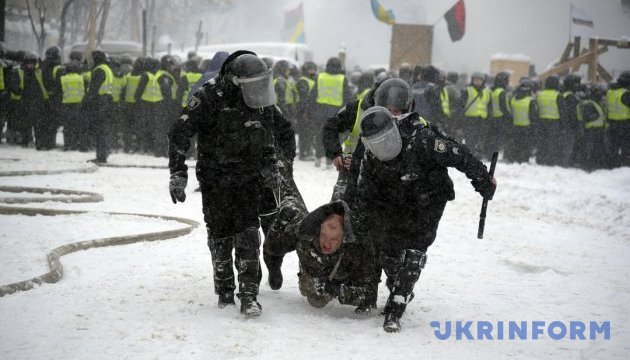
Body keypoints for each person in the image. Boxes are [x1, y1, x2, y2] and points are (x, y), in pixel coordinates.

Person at [347, 79, 496, 332]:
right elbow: (363, 174)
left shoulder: (424, 136)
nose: (393, 116)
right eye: (388, 109)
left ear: (407, 108)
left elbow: (459, 154)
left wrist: (483, 180)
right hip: (394, 197)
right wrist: (358, 207)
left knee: (414, 251)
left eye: (398, 110)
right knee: (387, 248)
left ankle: (395, 307)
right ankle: (397, 281)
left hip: (428, 199)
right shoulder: (372, 134)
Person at [168, 50, 288, 317]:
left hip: (249, 176)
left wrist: (271, 165)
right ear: (234, 81)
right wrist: (178, 172)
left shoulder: (259, 99)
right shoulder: (207, 97)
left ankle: (248, 295)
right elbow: (179, 133)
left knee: (248, 233)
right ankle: (224, 291)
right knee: (220, 235)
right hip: (215, 178)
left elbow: (268, 135)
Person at [294, 200, 376, 312]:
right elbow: (274, 247)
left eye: (333, 239)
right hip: (316, 272)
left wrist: (336, 290)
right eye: (323, 236)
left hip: (346, 276)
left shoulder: (359, 249)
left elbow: (369, 296)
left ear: (344, 237)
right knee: (315, 299)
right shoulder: (305, 235)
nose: (326, 244)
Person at [310, 57, 353, 167]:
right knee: (333, 136)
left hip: (320, 110)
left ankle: (318, 157)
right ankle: (330, 159)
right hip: (335, 111)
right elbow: (348, 97)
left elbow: (312, 95)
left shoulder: (320, 77)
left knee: (319, 134)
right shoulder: (343, 79)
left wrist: (312, 109)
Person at [85, 49, 113, 163]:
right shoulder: (107, 69)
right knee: (103, 129)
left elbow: (93, 89)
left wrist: (86, 100)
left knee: (99, 130)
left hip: (100, 102)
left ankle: (101, 156)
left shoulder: (99, 70)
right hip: (107, 100)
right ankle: (104, 153)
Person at [460, 72, 492, 158]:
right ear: (472, 80)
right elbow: (461, 104)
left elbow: (489, 105)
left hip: (482, 119)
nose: (478, 81)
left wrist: (489, 117)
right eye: (476, 80)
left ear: (483, 81)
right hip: (470, 119)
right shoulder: (467, 90)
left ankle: (478, 155)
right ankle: (470, 154)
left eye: (480, 80)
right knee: (470, 138)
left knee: (481, 138)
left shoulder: (487, 91)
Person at [504, 81, 537, 163]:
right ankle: (523, 160)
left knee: (516, 144)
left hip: (515, 126)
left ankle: (515, 158)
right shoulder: (530, 101)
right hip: (527, 126)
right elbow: (533, 116)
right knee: (525, 145)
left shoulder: (513, 100)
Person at [580, 83, 608, 171]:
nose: (600, 94)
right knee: (590, 149)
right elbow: (587, 117)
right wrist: (597, 116)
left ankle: (596, 165)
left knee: (597, 148)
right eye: (598, 92)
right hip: (592, 130)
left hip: (598, 129)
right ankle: (588, 166)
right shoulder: (589, 103)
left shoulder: (597, 102)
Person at [606, 71, 630, 167]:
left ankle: (613, 167)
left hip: (612, 124)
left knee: (613, 148)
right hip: (625, 125)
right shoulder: (626, 94)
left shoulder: (610, 92)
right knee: (626, 148)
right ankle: (624, 167)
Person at [295, 61, 317, 160]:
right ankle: (304, 153)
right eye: (310, 69)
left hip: (310, 109)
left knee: (309, 131)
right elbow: (303, 96)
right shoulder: (303, 80)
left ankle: (307, 151)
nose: (312, 71)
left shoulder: (311, 80)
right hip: (304, 109)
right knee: (304, 132)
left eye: (313, 69)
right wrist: (305, 110)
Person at [490, 71, 511, 153]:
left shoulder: (494, 91)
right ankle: (496, 152)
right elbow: (504, 107)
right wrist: (509, 116)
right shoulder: (502, 92)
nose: (508, 82)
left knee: (494, 137)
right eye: (506, 80)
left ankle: (492, 151)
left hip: (494, 117)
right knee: (499, 137)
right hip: (501, 118)